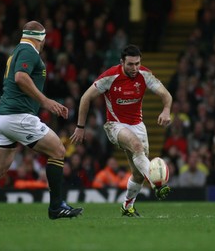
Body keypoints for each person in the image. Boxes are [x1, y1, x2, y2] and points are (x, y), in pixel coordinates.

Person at [0, 20, 83, 221]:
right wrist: (46, 101)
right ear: (41, 37)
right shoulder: (29, 51)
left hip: (1, 117)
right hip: (17, 116)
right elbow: (21, 78)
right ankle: (56, 207)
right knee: (58, 151)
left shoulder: (18, 51)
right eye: (45, 37)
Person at [70, 44, 172, 217]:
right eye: (130, 64)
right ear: (122, 62)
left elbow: (166, 95)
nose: (134, 68)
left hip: (138, 126)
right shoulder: (110, 76)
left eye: (137, 63)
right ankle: (158, 185)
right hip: (115, 125)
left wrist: (166, 110)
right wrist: (80, 126)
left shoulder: (145, 75)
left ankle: (127, 206)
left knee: (137, 175)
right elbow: (85, 98)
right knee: (137, 147)